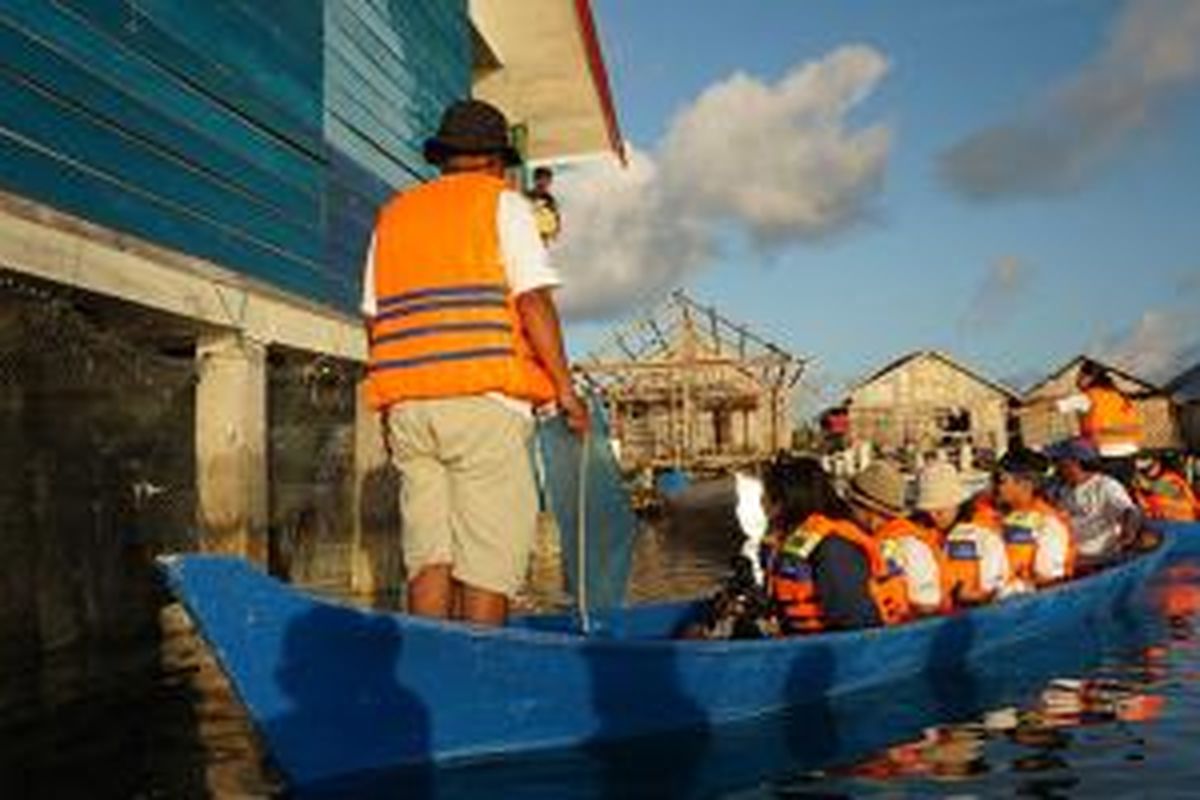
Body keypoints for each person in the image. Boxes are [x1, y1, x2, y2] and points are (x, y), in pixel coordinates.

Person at [361, 99, 588, 627]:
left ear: (443, 160)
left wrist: (391, 403)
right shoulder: (504, 205)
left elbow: (375, 320)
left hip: (410, 412)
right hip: (483, 403)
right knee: (487, 561)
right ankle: (479, 679)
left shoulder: (394, 214)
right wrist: (565, 390)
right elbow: (533, 301)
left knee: (430, 556)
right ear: (497, 162)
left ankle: (428, 672)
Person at [764, 457, 909, 633]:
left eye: (769, 497)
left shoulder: (834, 547)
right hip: (805, 646)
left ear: (788, 501)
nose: (762, 502)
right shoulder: (802, 538)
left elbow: (857, 623)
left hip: (841, 651)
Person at [845, 461, 947, 617]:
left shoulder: (911, 547)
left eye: (852, 506)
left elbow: (928, 605)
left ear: (871, 513)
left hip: (905, 635)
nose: (849, 511)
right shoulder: (867, 541)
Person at [914, 462, 1011, 607]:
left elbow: (998, 591)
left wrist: (965, 597)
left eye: (940, 511)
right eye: (928, 511)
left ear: (957, 503)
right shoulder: (918, 535)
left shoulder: (985, 537)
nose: (934, 516)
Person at [1047, 438, 1142, 567]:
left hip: (1099, 559)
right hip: (1072, 556)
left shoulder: (1105, 486)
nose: (1055, 465)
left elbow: (1129, 510)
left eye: (1058, 460)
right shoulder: (1063, 490)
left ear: (1075, 462)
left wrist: (1128, 535)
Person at [994, 449, 1075, 589]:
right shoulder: (996, 514)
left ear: (1025, 485)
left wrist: (1013, 588)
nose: (995, 487)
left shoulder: (1048, 523)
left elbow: (1049, 579)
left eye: (1000, 480)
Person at [1052, 359, 1142, 483]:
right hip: (1130, 457)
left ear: (1089, 377)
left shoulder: (1088, 397)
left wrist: (1022, 411)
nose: (1076, 380)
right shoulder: (1118, 396)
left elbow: (1053, 406)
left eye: (1079, 375)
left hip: (1106, 458)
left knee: (1066, 448)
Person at [1132, 452, 1199, 522]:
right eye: (1143, 470)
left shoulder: (1172, 478)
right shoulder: (1140, 488)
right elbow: (1145, 509)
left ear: (1157, 462)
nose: (1147, 472)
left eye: (1149, 467)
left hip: (1187, 521)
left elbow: (1176, 492)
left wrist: (1150, 485)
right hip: (1166, 524)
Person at [525, 165, 561, 244]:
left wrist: (553, 233)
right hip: (528, 238)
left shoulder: (550, 200)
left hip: (542, 241)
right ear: (535, 180)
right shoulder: (526, 197)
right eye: (540, 179)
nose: (543, 183)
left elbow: (556, 222)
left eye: (547, 180)